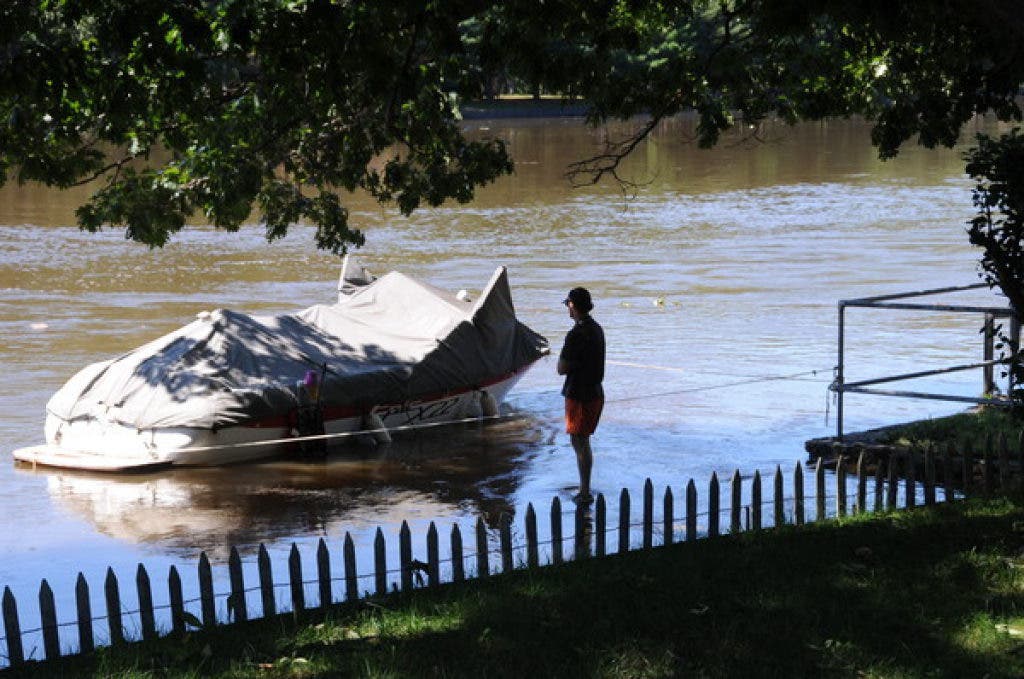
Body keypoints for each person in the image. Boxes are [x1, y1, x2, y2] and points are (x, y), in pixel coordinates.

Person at [557, 286, 605, 503]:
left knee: (579, 442)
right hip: (595, 391)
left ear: (573, 306)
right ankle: (584, 487)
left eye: (568, 304)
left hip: (579, 394)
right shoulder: (597, 329)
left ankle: (584, 492)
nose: (567, 308)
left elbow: (561, 368)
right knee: (583, 442)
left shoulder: (575, 334)